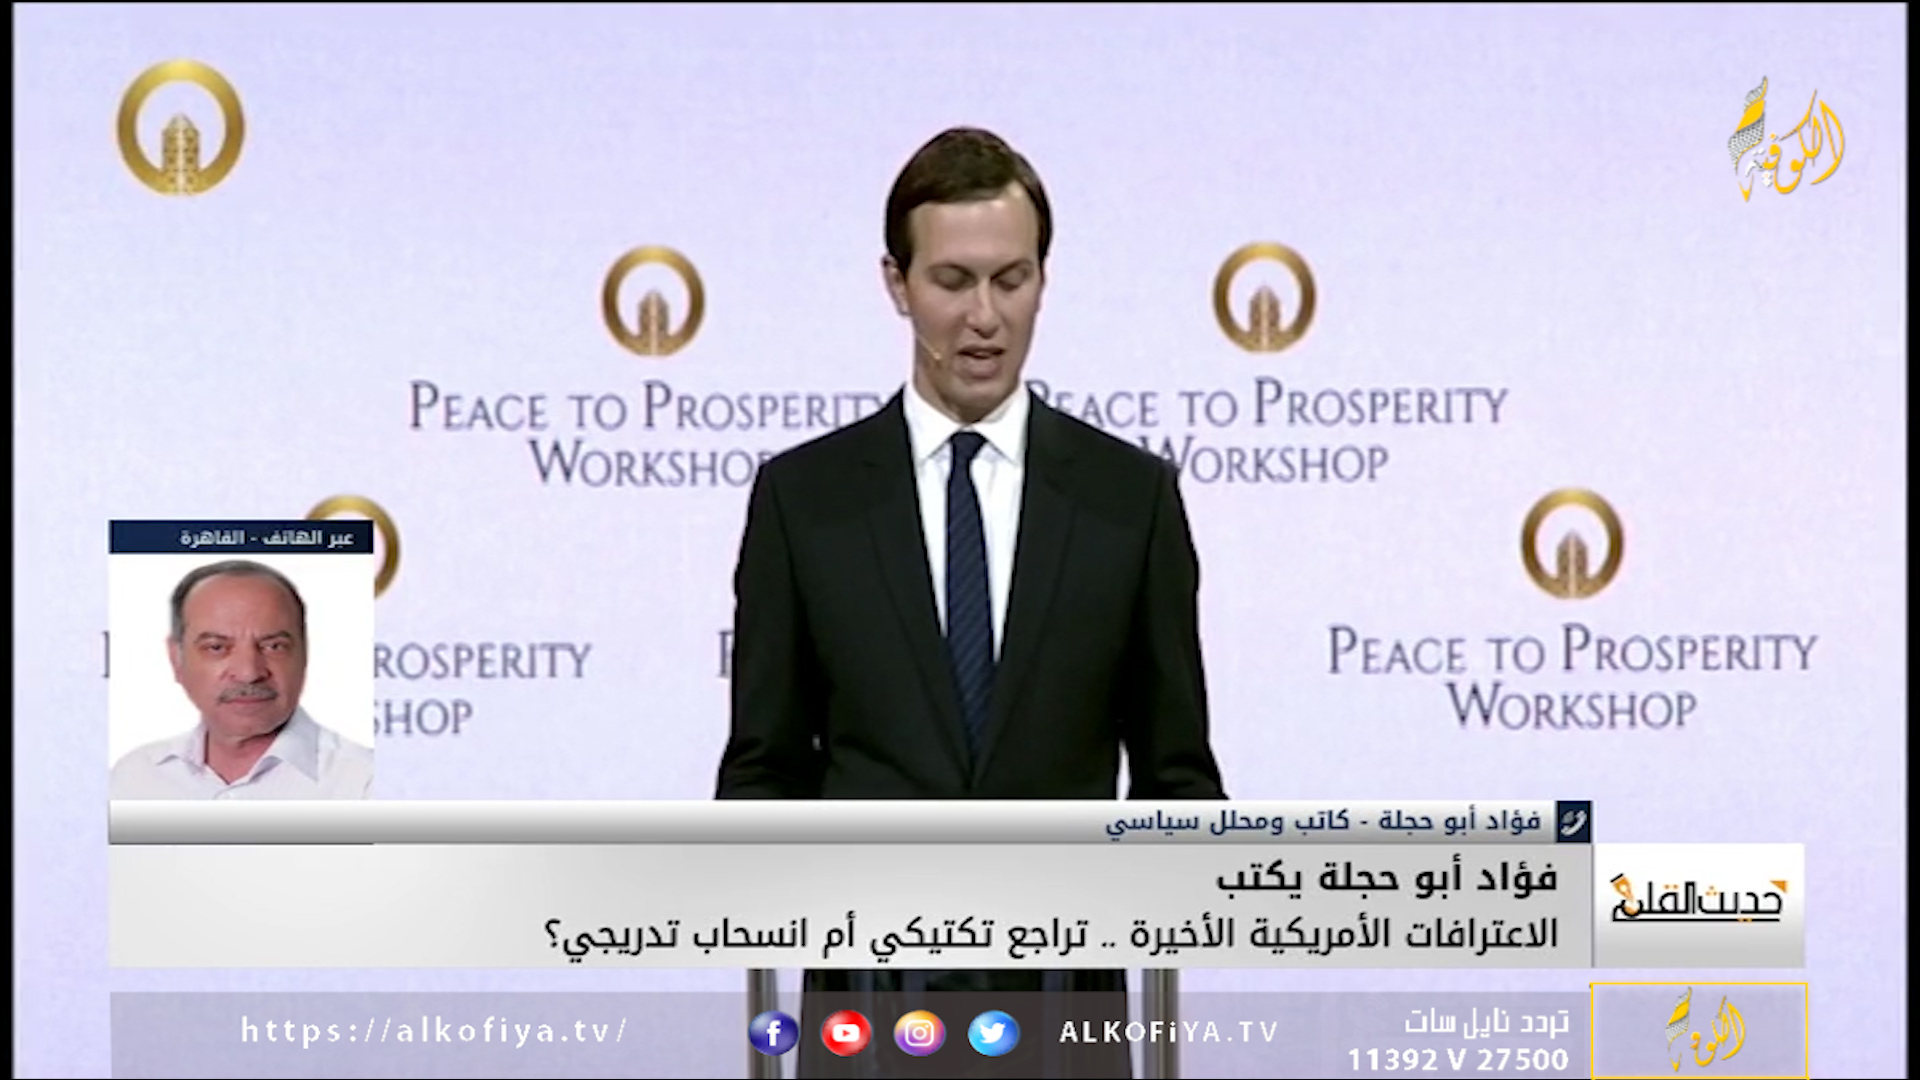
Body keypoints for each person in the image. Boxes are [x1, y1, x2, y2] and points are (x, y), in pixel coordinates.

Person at [718, 127, 1225, 1077]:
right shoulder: (804, 500)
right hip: (867, 1014)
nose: (985, 316)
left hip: (1064, 1017)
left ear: (1043, 280)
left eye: (1011, 279)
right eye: (953, 281)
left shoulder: (1129, 500)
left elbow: (1179, 782)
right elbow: (762, 773)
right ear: (897, 284)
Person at [110, 560, 373, 799]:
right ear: (176, 659)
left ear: (304, 654)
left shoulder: (367, 784)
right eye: (217, 647)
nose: (249, 673)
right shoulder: (134, 779)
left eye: (274, 646)